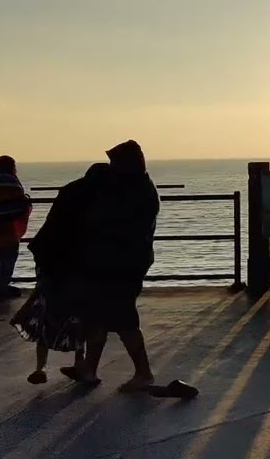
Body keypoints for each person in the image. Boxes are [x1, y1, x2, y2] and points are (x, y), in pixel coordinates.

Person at [68, 140, 163, 391]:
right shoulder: (137, 188)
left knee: (124, 319)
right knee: (98, 315)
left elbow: (111, 223)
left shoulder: (133, 192)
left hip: (122, 264)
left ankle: (143, 372)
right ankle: (90, 369)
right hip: (117, 262)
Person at [11, 163, 109, 384]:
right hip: (75, 261)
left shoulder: (70, 191)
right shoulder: (98, 198)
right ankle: (79, 362)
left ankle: (41, 367)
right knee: (81, 313)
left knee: (46, 309)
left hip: (50, 255)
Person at [0, 156, 32, 299]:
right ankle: (3, 287)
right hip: (7, 225)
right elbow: (19, 198)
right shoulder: (10, 179)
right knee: (9, 256)